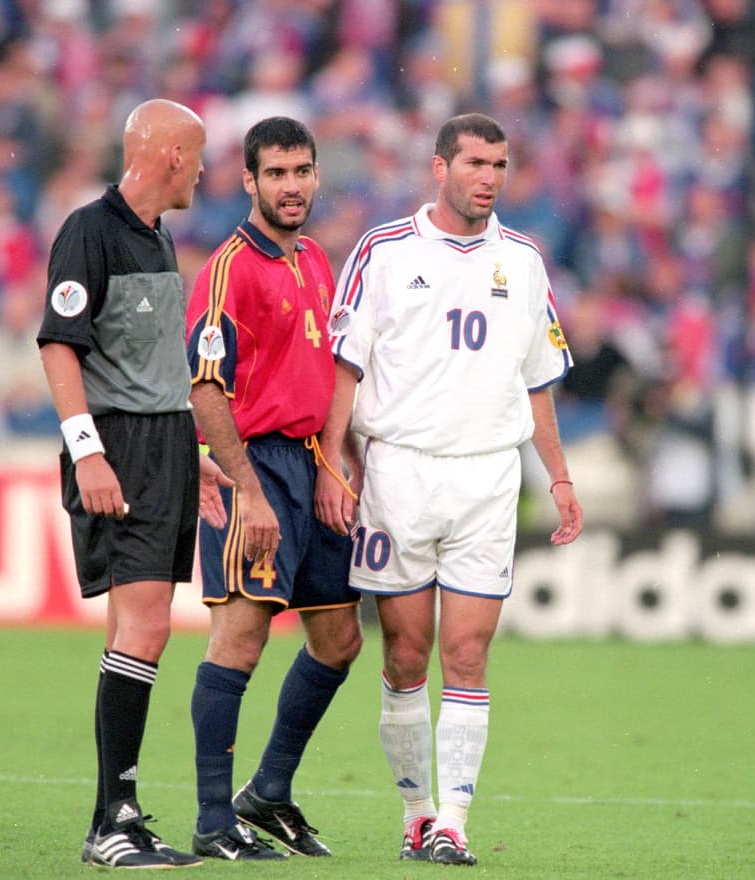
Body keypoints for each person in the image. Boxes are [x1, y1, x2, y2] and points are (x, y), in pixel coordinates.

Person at [315, 113, 584, 866]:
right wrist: (334, 463)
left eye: (499, 164)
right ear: (439, 168)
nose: (488, 177)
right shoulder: (385, 251)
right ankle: (416, 812)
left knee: (467, 654)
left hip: (488, 476)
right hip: (399, 471)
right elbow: (346, 366)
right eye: (474, 163)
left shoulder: (524, 260)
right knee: (406, 654)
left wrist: (559, 475)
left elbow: (537, 382)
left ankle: (454, 824)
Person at [37, 98, 229, 870]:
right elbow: (59, 346)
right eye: (199, 155)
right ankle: (111, 822)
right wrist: (87, 452)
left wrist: (190, 448)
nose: (204, 170)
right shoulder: (90, 231)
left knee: (135, 628)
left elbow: (147, 359)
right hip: (120, 447)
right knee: (144, 630)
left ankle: (116, 819)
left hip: (165, 444)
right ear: (173, 155)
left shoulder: (158, 236)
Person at [184, 116, 363, 861]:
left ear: (317, 175)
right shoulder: (228, 269)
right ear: (249, 181)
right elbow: (206, 390)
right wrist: (249, 492)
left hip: (312, 465)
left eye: (302, 172)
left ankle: (269, 791)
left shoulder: (315, 259)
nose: (292, 187)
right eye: (277, 174)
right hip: (254, 467)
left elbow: (323, 374)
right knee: (242, 638)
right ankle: (213, 820)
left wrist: (337, 463)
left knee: (340, 638)